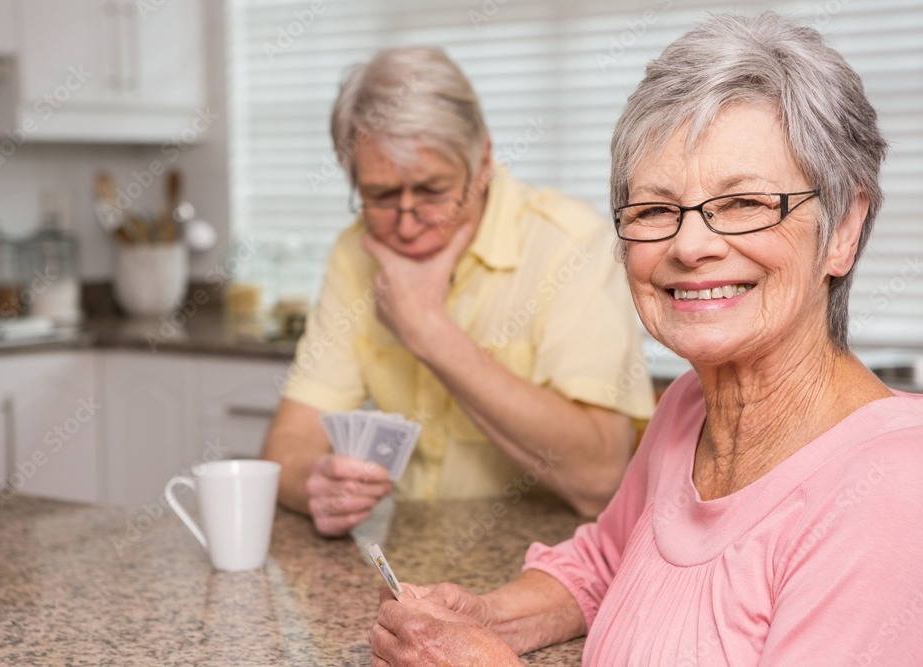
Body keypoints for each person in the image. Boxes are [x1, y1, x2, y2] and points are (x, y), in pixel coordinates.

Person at [369, 12, 923, 665]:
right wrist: (492, 617)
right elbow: (607, 560)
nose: (689, 245)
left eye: (744, 203)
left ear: (843, 229)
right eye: (656, 209)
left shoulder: (893, 489)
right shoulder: (689, 406)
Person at [262, 47, 655, 537]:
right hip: (411, 557)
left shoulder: (571, 244)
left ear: (483, 160)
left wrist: (427, 330)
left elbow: (599, 477)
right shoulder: (356, 252)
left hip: (541, 564)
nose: (407, 223)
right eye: (380, 196)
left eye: (431, 191)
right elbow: (288, 443)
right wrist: (313, 483)